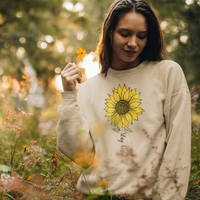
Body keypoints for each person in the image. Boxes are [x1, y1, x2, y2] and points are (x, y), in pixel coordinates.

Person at [56, 0, 191, 199]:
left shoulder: (168, 74)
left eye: (142, 36)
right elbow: (81, 155)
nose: (133, 43)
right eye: (125, 34)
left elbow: (178, 145)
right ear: (110, 32)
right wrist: (69, 96)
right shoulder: (87, 90)